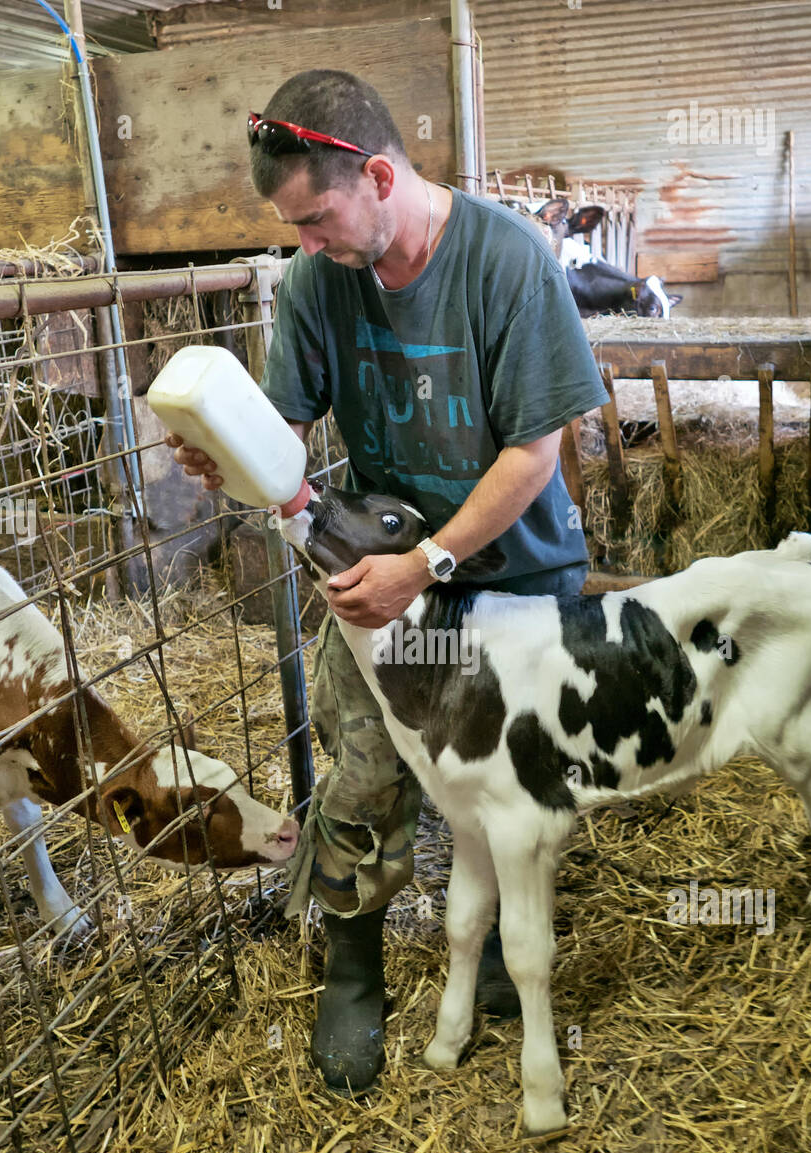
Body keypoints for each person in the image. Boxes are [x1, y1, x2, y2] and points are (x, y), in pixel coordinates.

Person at [170, 69, 608, 1097]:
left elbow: (533, 454)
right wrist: (228, 450)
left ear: (375, 173)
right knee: (366, 775)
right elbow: (287, 429)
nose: (308, 244)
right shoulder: (322, 280)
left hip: (511, 568)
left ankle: (502, 942)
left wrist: (432, 562)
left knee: (512, 780)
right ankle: (354, 967)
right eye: (295, 227)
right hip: (378, 559)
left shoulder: (508, 261)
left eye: (317, 217)